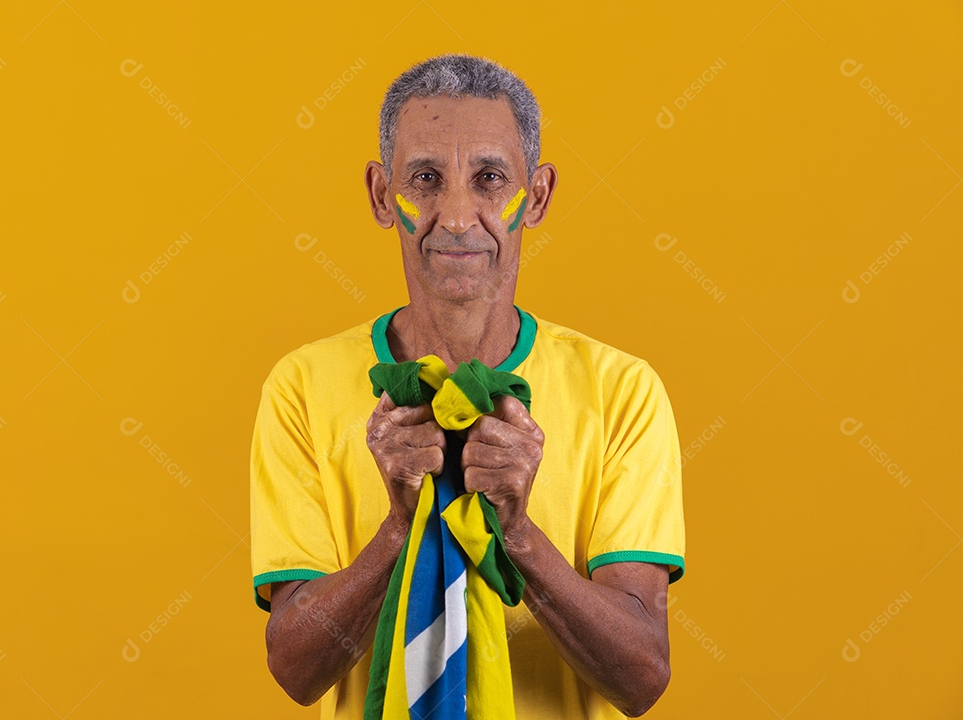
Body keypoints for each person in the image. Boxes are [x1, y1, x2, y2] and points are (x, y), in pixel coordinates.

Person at [250, 53, 686, 719]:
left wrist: (516, 535)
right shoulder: (302, 387)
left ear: (535, 197)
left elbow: (642, 675)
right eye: (425, 179)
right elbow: (296, 668)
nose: (456, 216)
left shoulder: (623, 391)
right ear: (378, 194)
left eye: (489, 179)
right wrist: (398, 529)